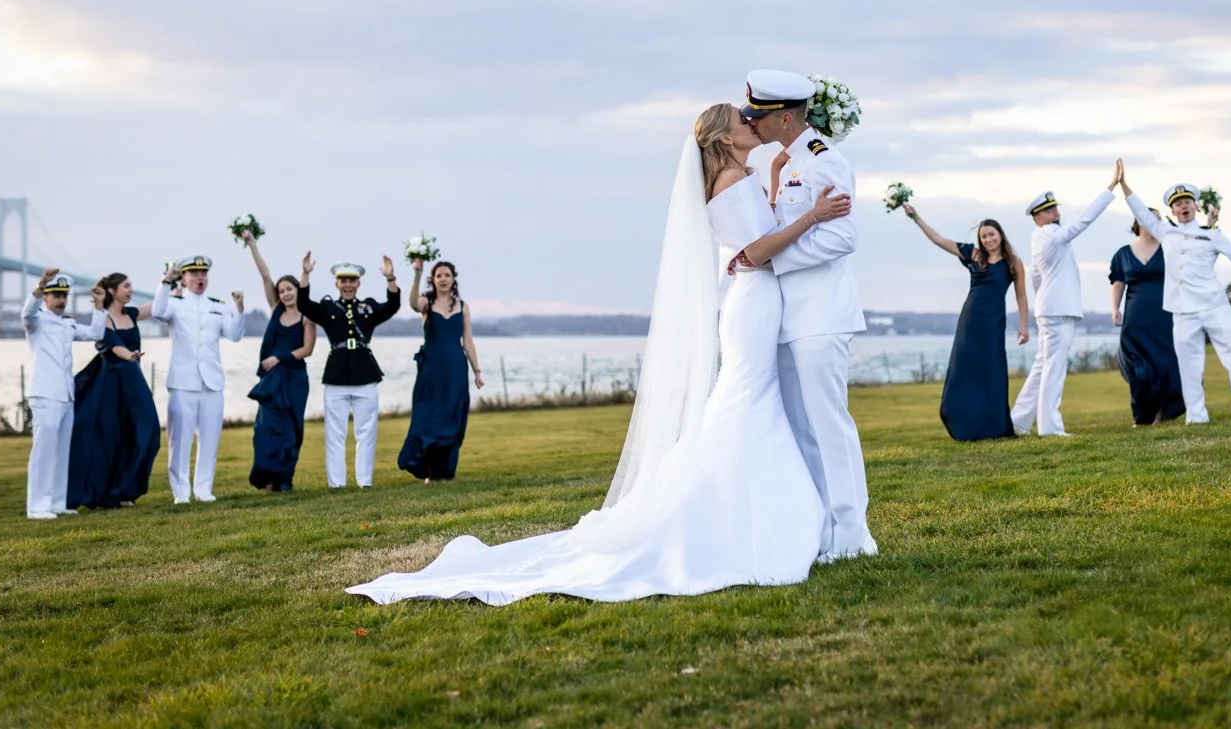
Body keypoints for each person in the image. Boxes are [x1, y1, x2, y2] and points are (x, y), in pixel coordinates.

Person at [348, 103, 850, 604]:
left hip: (755, 301)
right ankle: (729, 515)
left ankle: (735, 506)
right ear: (724, 139)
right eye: (743, 122)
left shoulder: (738, 179)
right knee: (746, 399)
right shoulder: (727, 183)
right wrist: (813, 215)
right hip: (754, 301)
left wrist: (777, 178)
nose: (752, 124)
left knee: (744, 401)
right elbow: (757, 250)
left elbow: (750, 234)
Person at [742, 69, 875, 562]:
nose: (751, 123)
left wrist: (774, 259)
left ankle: (854, 536)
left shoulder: (824, 160)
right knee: (801, 429)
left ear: (782, 117)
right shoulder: (789, 162)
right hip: (787, 317)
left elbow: (843, 238)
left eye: (758, 116)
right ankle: (821, 532)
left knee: (828, 425)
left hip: (821, 313)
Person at [1119, 162, 1231, 423]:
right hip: (1182, 311)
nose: (1183, 207)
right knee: (1189, 366)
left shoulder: (1211, 234)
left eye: (1187, 202)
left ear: (1195, 207)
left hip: (1214, 306)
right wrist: (1124, 185)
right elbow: (1140, 210)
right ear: (1171, 209)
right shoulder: (1165, 230)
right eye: (1178, 203)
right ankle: (1196, 415)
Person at [903, 207, 1028, 440]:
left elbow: (1021, 296)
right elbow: (939, 240)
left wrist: (1024, 325)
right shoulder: (973, 255)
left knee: (992, 371)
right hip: (970, 321)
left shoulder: (1014, 263)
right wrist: (917, 218)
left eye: (991, 234)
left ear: (1000, 235)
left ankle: (996, 426)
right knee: (965, 371)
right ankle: (965, 423)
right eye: (984, 236)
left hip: (993, 323)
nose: (988, 239)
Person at [1010, 172, 1118, 437]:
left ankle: (1018, 422)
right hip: (1058, 312)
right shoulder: (1051, 234)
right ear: (1038, 218)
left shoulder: (1041, 237)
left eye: (1055, 208)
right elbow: (1083, 221)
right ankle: (1050, 427)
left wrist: (1044, 301)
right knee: (1053, 369)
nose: (1055, 212)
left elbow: (1036, 276)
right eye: (1048, 210)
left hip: (1050, 309)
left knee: (1041, 367)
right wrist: (1110, 188)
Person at [298, 254, 402, 490]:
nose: (347, 285)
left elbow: (393, 305)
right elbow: (304, 305)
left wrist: (390, 278)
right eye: (343, 281)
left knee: (366, 432)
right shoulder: (328, 308)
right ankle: (337, 484)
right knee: (335, 434)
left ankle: (364, 482)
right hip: (336, 377)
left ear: (358, 284)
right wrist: (305, 274)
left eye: (351, 281)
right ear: (336, 284)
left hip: (365, 375)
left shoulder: (368, 308)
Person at [152, 256, 245, 504]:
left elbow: (234, 335)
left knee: (210, 440)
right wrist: (165, 282)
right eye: (193, 274)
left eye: (203, 274)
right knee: (179, 441)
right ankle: (181, 492)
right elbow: (157, 312)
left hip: (212, 382)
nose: (199, 278)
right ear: (184, 277)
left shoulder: (218, 304)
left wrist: (239, 308)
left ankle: (203, 490)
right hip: (183, 381)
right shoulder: (174, 302)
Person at [68, 273, 162, 509]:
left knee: (147, 430)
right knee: (111, 440)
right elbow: (110, 344)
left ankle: (125, 489)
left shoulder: (131, 314)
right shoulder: (104, 318)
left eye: (131, 286)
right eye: (126, 286)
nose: (131, 290)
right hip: (110, 384)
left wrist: (168, 281)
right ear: (113, 291)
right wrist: (129, 355)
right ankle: (109, 494)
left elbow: (157, 306)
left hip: (133, 381)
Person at [21, 271, 106, 519]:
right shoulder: (36, 321)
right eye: (56, 295)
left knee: (60, 451)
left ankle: (57, 502)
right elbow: (26, 313)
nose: (61, 300)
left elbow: (96, 334)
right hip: (45, 393)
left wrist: (99, 305)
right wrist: (39, 286)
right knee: (43, 451)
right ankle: (37, 506)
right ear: (45, 297)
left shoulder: (67, 323)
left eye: (64, 296)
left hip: (66, 394)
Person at [399, 258, 485, 483]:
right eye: (439, 275)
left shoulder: (462, 306)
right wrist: (417, 274)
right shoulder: (426, 302)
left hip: (455, 368)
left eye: (447, 275)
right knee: (428, 417)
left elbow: (468, 341)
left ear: (453, 278)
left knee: (452, 417)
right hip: (431, 370)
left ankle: (445, 472)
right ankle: (427, 470)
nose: (443, 279)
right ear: (433, 279)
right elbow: (411, 304)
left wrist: (477, 371)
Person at [243, 233, 316, 491]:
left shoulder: (307, 316)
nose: (285, 293)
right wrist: (252, 244)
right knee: (266, 431)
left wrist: (279, 358)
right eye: (281, 290)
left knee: (292, 431)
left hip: (295, 378)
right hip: (272, 381)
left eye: (289, 289)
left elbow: (307, 349)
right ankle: (267, 477)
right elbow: (265, 276)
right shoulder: (275, 310)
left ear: (297, 290)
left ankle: (284, 479)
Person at [1109, 212, 1186, 425]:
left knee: (1166, 364)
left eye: (1157, 219)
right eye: (1147, 218)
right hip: (1135, 320)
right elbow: (1118, 283)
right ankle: (1143, 416)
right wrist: (1115, 309)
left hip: (1164, 316)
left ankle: (1164, 413)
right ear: (1137, 223)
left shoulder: (1169, 248)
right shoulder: (1123, 253)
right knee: (1139, 369)